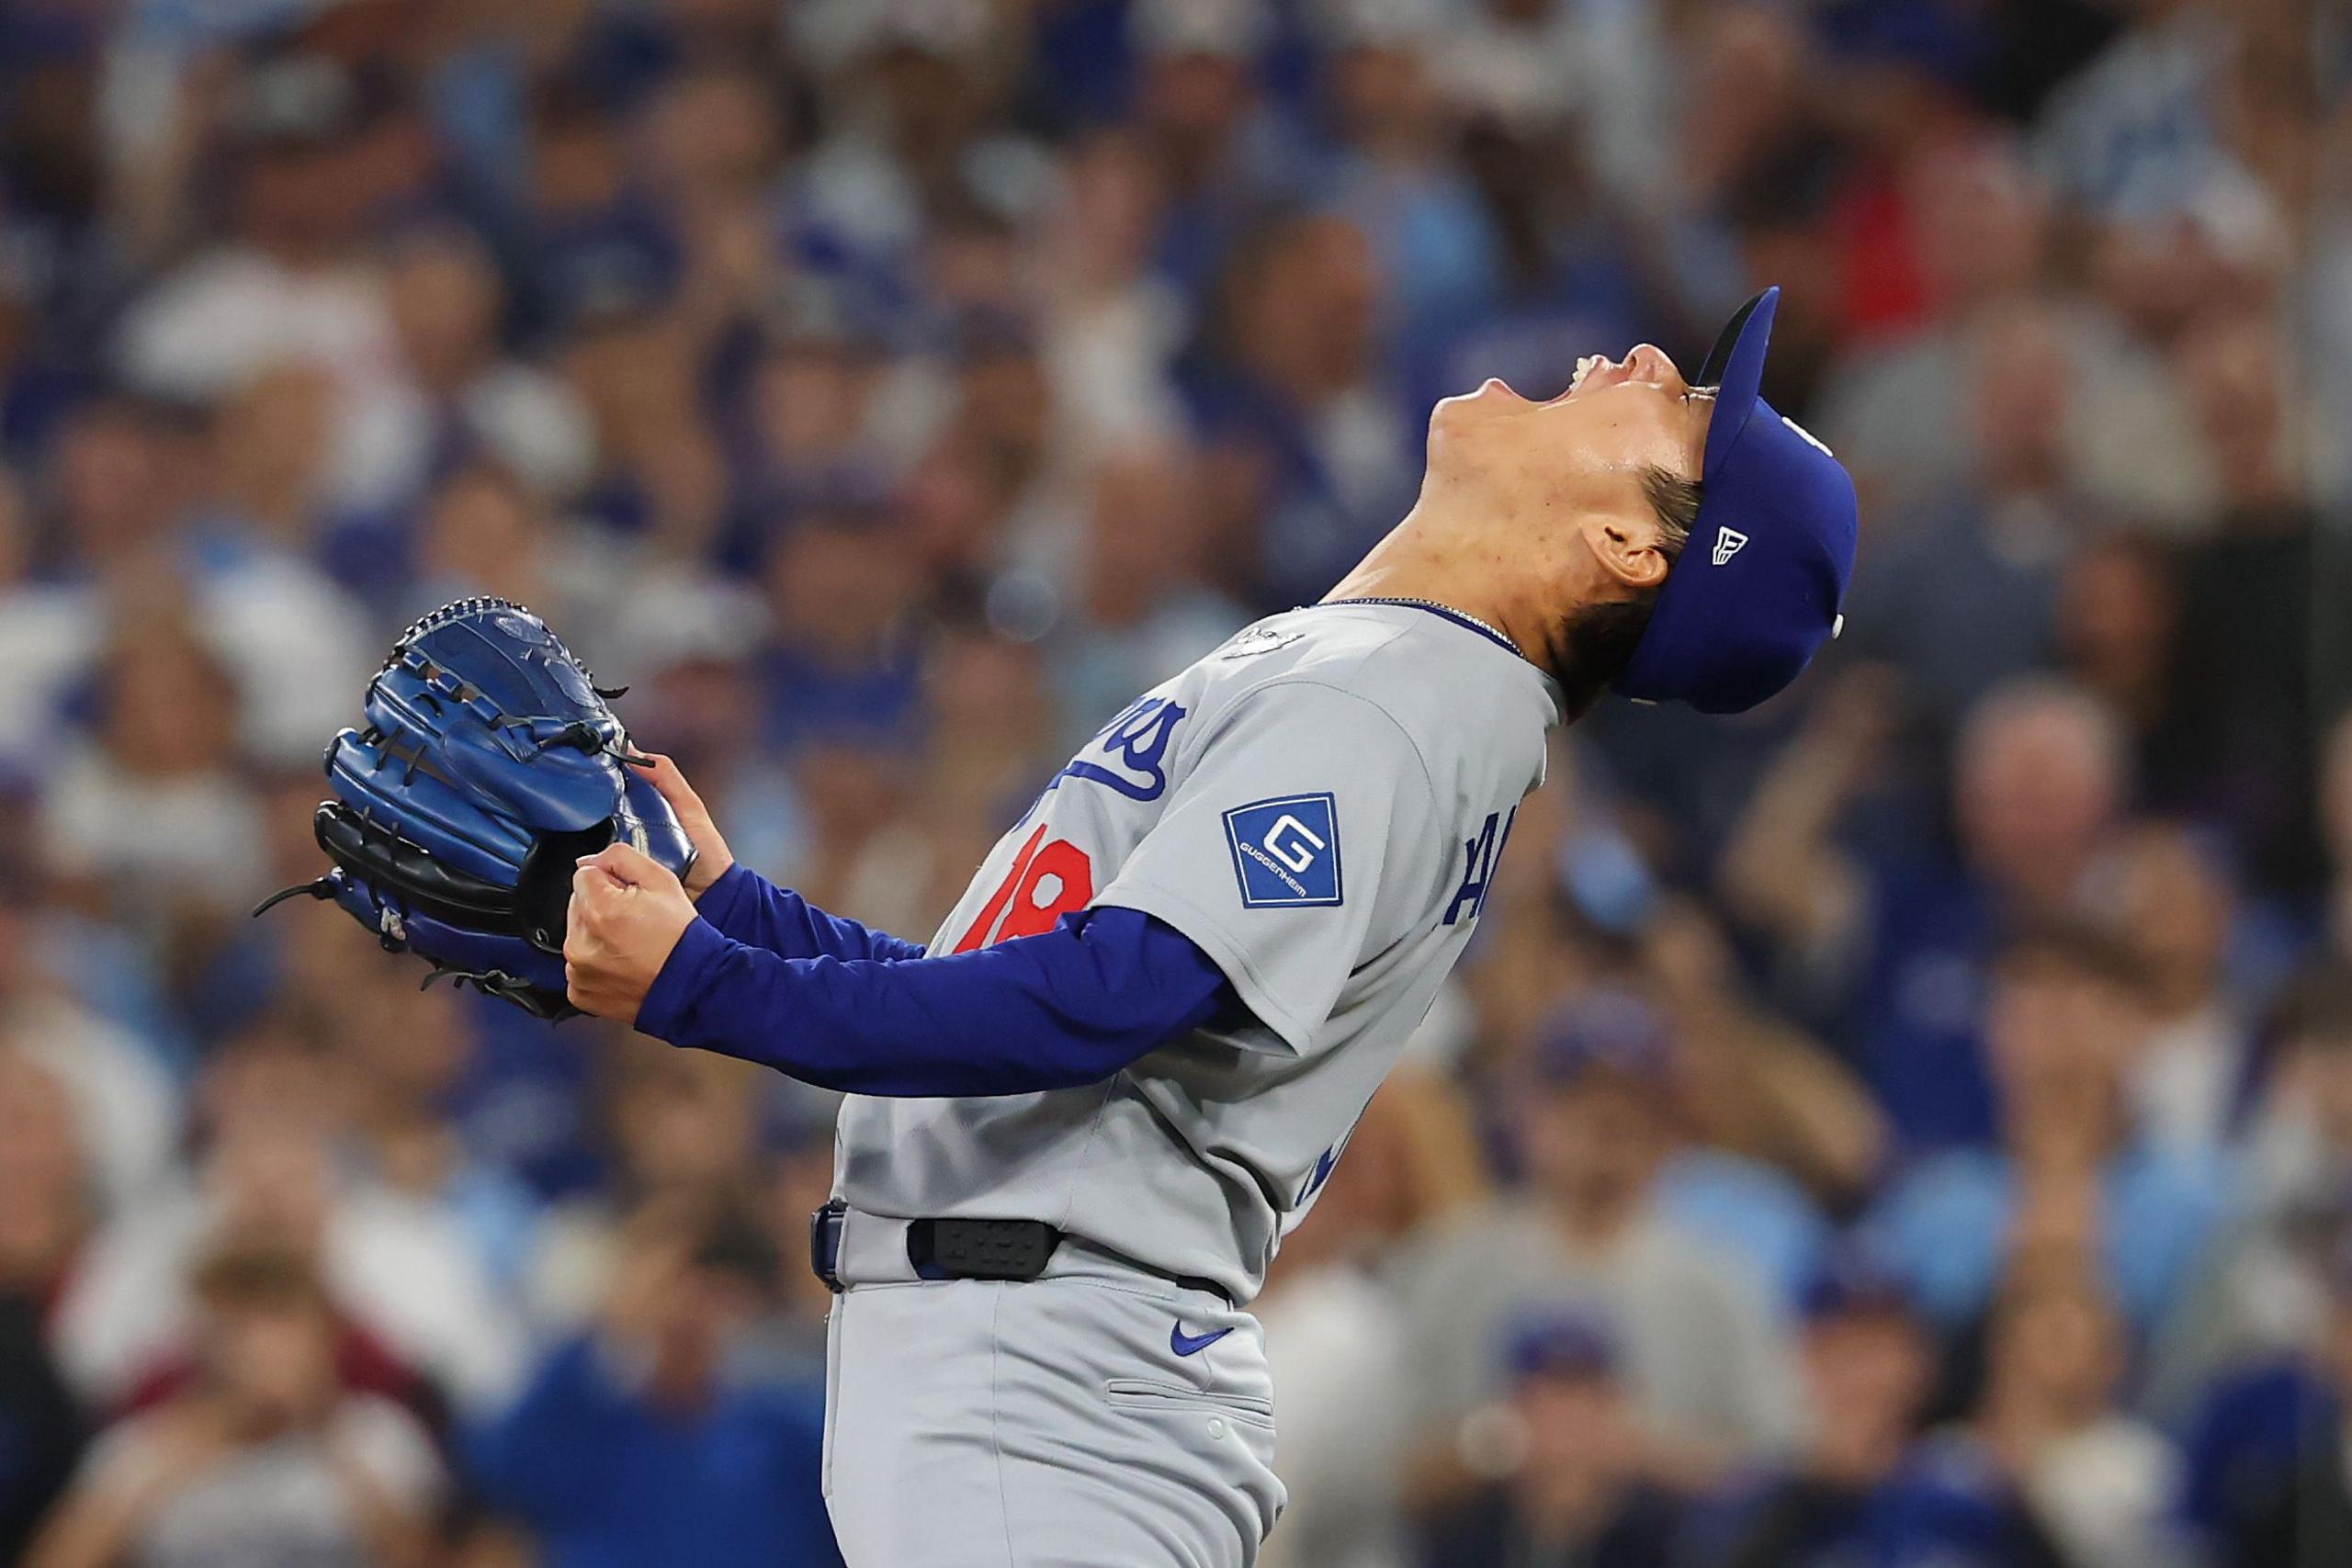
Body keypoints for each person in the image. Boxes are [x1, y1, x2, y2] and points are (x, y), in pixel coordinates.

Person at [555, 288, 1857, 1565]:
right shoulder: (1398, 671)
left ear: (1632, 548)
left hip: (1054, 1382)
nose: (1637, 355)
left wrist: (709, 983)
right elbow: (1029, 990)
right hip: (1036, 1358)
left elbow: (1102, 999)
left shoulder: (1407, 699)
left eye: (1679, 409)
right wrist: (742, 919)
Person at [25, 1238, 444, 1568]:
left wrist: (328, 1438)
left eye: (281, 1322)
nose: (262, 1352)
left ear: (326, 1338)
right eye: (242, 1327)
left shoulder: (380, 1436)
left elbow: (425, 1559)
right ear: (204, 1342)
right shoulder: (140, 1447)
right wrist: (170, 1457)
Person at [1413, 1309, 1686, 1568]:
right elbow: (1408, 1490)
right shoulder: (1467, 1523)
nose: (1566, 1420)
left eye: (1584, 1396)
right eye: (1547, 1397)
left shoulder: (1660, 1529)